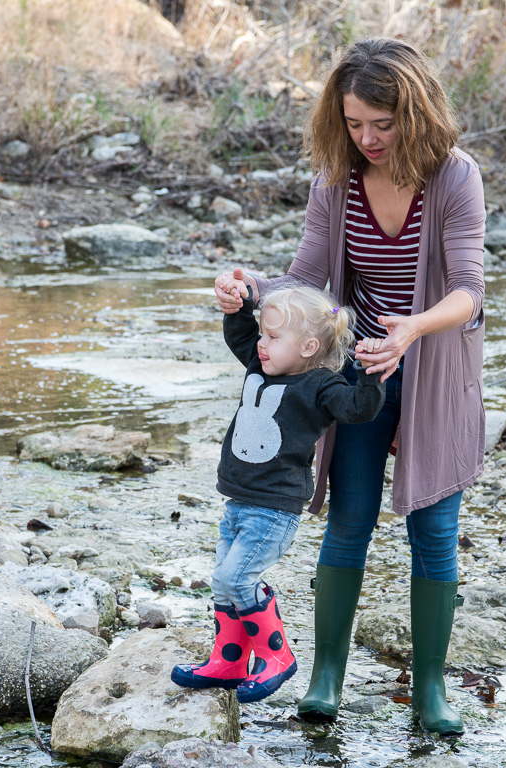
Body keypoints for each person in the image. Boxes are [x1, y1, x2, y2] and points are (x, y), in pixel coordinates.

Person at [213, 37, 486, 737]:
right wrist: (248, 286)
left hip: (435, 369)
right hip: (360, 372)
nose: (366, 137)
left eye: (382, 124)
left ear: (415, 113)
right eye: (354, 121)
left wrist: (412, 329)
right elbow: (309, 281)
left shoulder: (454, 178)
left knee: (434, 529)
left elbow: (468, 292)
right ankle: (325, 677)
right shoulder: (334, 182)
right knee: (349, 520)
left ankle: (429, 690)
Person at [171, 283, 386, 703]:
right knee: (221, 584)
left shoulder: (322, 386)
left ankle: (277, 657)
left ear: (307, 347)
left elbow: (359, 409)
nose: (262, 344)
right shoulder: (259, 364)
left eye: (273, 337)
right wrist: (241, 308)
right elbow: (239, 335)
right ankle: (229, 661)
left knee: (236, 578)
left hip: (273, 510)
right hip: (237, 502)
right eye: (263, 334)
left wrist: (370, 373)